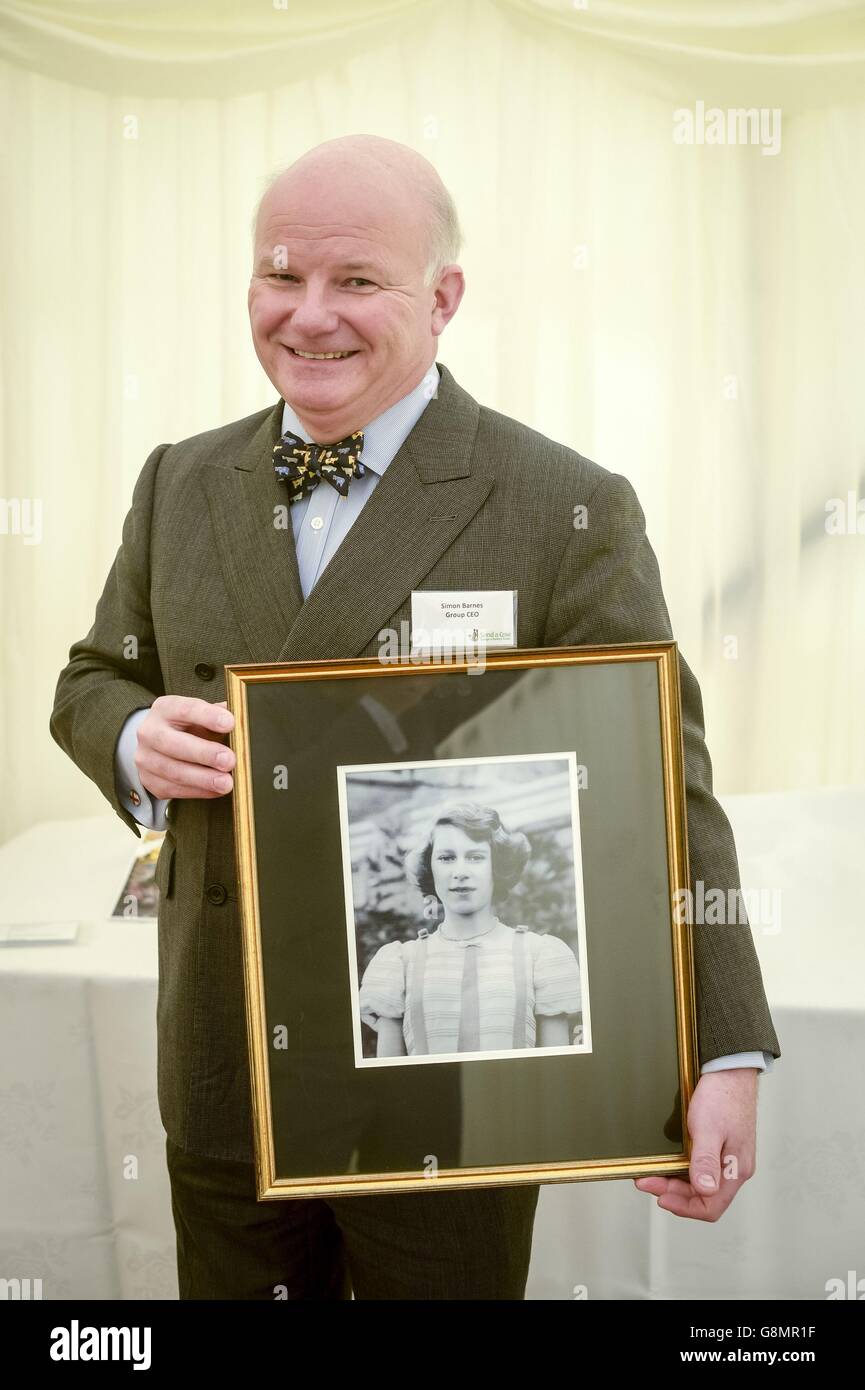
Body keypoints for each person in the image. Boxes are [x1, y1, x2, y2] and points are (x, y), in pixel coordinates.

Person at [50, 133, 780, 1299]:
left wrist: (720, 1047)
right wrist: (132, 739)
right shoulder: (176, 481)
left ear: (441, 298)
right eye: (281, 276)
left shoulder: (563, 504)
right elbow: (94, 678)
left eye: (357, 282)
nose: (310, 315)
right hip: (225, 1052)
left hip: (456, 1090)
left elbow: (664, 791)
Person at [360, 802, 582, 1056]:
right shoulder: (400, 962)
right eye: (446, 858)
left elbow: (555, 1070)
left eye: (475, 857)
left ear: (496, 868)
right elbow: (391, 1081)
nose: (460, 872)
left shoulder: (540, 955)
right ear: (430, 869)